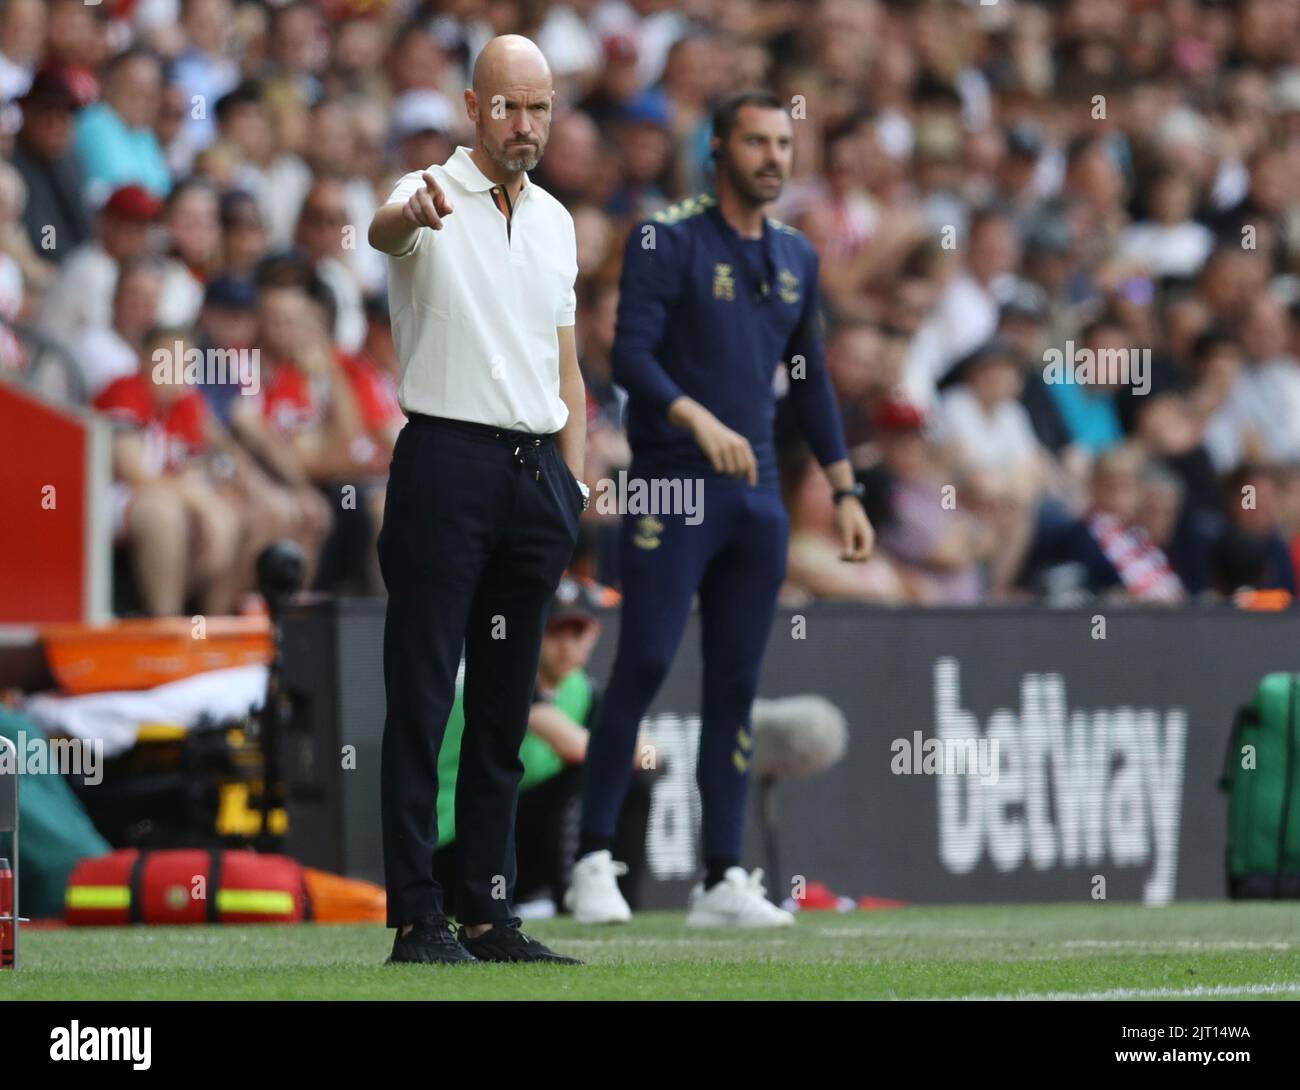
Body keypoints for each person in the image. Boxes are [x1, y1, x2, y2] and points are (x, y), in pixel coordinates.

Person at [566, 90, 874, 928]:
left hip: (760, 496)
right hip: (673, 484)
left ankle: (721, 879)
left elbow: (808, 379)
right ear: (718, 148)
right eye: (757, 141)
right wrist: (697, 418)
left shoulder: (796, 256)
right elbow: (628, 353)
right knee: (645, 663)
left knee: (736, 687)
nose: (775, 156)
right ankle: (592, 859)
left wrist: (845, 489)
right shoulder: (668, 237)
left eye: (784, 142)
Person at [367, 35, 584, 965]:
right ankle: (418, 913)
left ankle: (489, 909)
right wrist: (408, 210)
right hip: (447, 459)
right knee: (422, 694)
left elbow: (565, 361)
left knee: (503, 705)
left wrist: (574, 480)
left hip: (535, 470)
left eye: (539, 108)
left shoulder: (557, 220)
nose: (525, 125)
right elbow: (386, 230)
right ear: (472, 104)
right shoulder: (425, 193)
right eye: (508, 106)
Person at [431, 577, 659, 919]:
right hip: (455, 848)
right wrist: (623, 747)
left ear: (593, 636)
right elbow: (585, 752)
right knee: (585, 776)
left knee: (630, 785)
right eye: (554, 633)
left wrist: (627, 746)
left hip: (509, 839)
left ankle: (621, 898)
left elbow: (648, 752)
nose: (566, 646)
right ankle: (572, 893)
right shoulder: (502, 677)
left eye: (576, 634)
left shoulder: (581, 687)